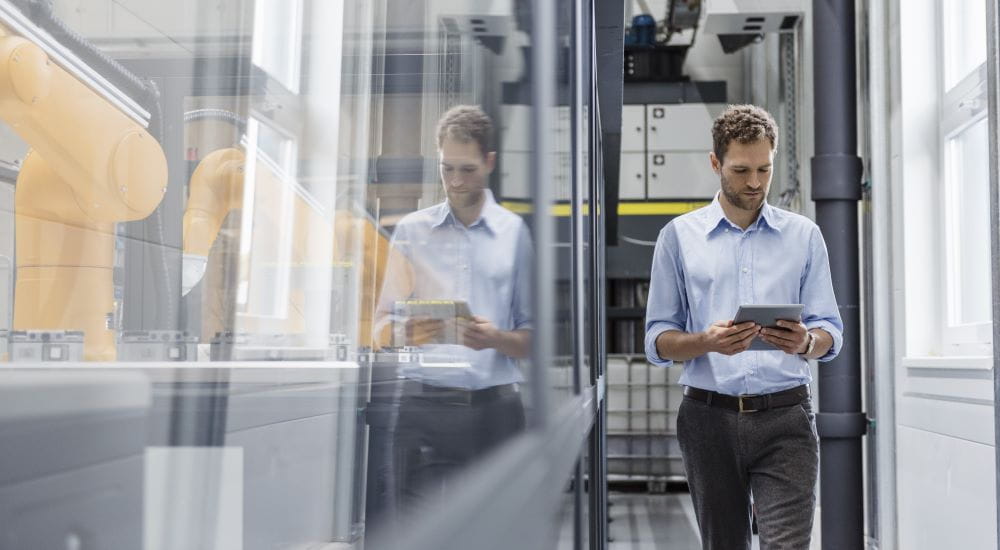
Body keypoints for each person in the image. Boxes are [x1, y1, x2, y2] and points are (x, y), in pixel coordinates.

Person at [644, 104, 843, 550]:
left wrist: (807, 340)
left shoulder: (804, 236)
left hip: (786, 418)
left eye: (764, 169)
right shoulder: (678, 237)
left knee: (788, 545)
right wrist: (705, 342)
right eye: (740, 170)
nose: (754, 183)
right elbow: (658, 340)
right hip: (706, 419)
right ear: (715, 163)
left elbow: (831, 329)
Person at [374, 104, 533, 518]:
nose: (456, 182)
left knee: (497, 530)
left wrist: (495, 338)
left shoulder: (514, 234)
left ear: (489, 162)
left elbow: (533, 340)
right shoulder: (411, 231)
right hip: (421, 407)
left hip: (494, 411)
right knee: (412, 532)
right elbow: (379, 327)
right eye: (447, 170)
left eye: (467, 169)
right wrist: (406, 333)